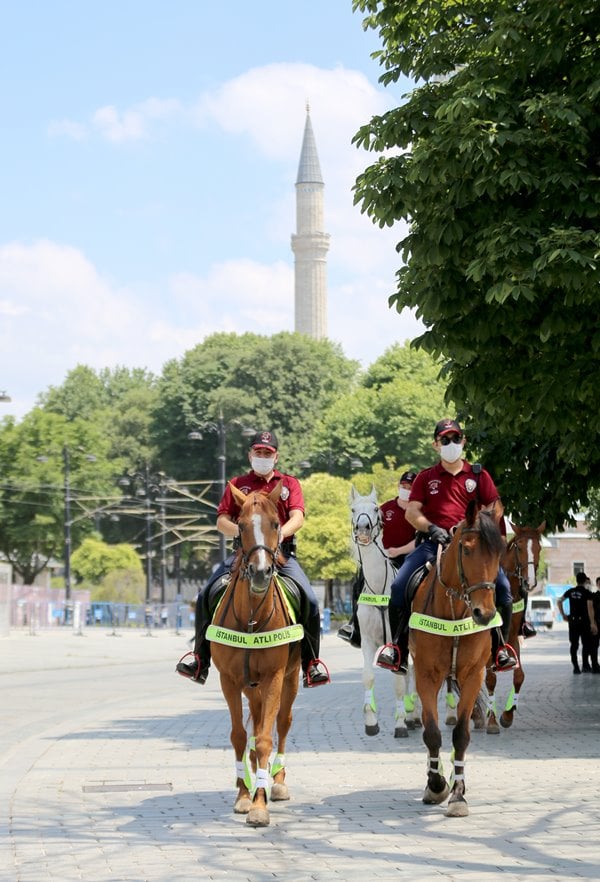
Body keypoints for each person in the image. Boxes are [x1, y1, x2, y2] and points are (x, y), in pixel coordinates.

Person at [176, 430, 330, 688]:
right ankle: (199, 658)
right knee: (205, 595)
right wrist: (244, 532)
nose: (262, 456)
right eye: (258, 452)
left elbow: (298, 517)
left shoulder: (289, 483)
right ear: (250, 455)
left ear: (276, 456)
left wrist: (278, 535)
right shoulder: (237, 485)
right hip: (243, 554)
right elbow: (221, 520)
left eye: (267, 453)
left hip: (280, 554)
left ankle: (311, 663)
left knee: (311, 600)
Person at [375, 418, 518, 674]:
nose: (451, 444)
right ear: (436, 445)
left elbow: (496, 507)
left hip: (473, 547)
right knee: (399, 585)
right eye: (445, 440)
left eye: (455, 439)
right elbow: (412, 512)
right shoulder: (425, 477)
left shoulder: (478, 475)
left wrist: (470, 524)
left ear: (463, 441)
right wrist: (431, 527)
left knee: (504, 588)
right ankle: (398, 648)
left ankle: (500, 648)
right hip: (433, 544)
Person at [337, 471, 417, 647]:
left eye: (410, 487)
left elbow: (420, 540)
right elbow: (373, 532)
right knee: (359, 582)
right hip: (385, 558)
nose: (406, 489)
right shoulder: (385, 508)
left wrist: (398, 551)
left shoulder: (418, 510)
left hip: (410, 559)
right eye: (403, 486)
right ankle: (354, 626)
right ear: (398, 486)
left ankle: (412, 626)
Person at [558, 572, 593, 674]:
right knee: (585, 644)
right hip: (584, 622)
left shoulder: (570, 591)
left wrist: (563, 614)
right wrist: (592, 623)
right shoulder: (587, 593)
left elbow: (559, 601)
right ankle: (585, 666)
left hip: (573, 621)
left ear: (576, 580)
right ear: (585, 580)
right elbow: (590, 608)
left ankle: (576, 667)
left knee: (574, 644)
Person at [585, 577, 600, 673]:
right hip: (597, 623)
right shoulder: (594, 596)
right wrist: (592, 623)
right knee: (594, 646)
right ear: (597, 584)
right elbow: (590, 609)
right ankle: (595, 665)